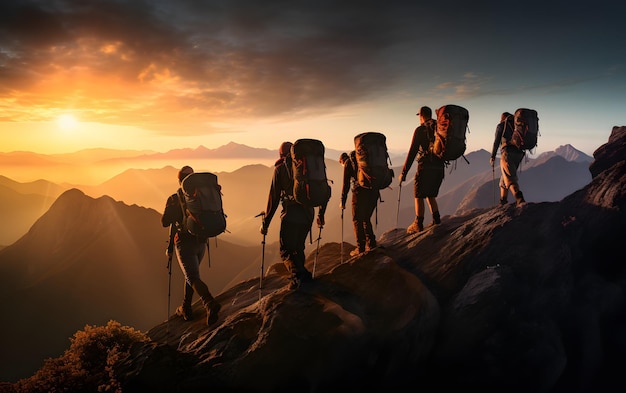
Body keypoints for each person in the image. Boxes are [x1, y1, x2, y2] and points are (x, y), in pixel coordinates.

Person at [260, 142, 327, 290]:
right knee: (298, 247)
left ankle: (299, 278)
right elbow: (322, 189)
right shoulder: (307, 167)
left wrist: (265, 224)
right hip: (308, 214)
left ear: (281, 154)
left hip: (291, 215)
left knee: (286, 251)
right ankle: (303, 278)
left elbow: (274, 199)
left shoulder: (280, 169)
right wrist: (321, 214)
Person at [161, 165, 221, 325]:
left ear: (180, 180)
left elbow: (165, 222)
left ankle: (209, 303)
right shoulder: (201, 198)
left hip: (184, 242)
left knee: (192, 276)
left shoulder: (174, 199)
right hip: (201, 241)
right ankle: (186, 307)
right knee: (192, 275)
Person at [398, 106, 444, 233]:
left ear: (421, 115)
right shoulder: (440, 127)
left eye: (419, 116)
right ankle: (436, 219)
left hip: (425, 167)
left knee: (418, 194)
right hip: (439, 167)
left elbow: (412, 152)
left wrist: (404, 172)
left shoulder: (420, 130)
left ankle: (418, 223)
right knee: (430, 193)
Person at [339, 151, 378, 256]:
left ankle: (360, 248)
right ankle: (372, 243)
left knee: (357, 220)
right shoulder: (364, 159)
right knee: (366, 218)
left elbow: (345, 185)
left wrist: (342, 201)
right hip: (374, 192)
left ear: (341, 161)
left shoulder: (348, 163)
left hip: (359, 194)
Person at [490, 112, 526, 206]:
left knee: (510, 178)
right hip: (519, 155)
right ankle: (503, 201)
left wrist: (493, 156)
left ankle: (520, 199)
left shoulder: (501, 125)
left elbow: (496, 142)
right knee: (505, 176)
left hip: (507, 153)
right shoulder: (516, 126)